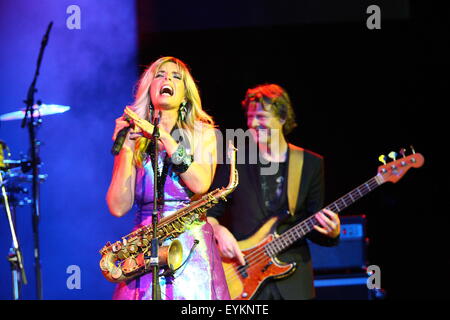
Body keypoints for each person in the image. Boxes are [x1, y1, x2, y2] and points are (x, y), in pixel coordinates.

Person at [106, 56, 230, 300]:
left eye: (176, 76)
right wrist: (127, 151)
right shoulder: (134, 137)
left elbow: (200, 184)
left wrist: (165, 138)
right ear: (149, 88)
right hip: (143, 249)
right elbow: (118, 207)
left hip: (190, 249)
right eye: (160, 75)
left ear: (185, 95)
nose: (167, 79)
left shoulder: (204, 133)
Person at [206, 83, 341, 300]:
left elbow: (313, 224)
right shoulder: (235, 160)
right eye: (250, 117)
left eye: (261, 116)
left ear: (282, 118)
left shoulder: (310, 164)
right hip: (241, 273)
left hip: (293, 280)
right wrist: (219, 232)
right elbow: (208, 213)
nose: (253, 123)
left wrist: (332, 233)